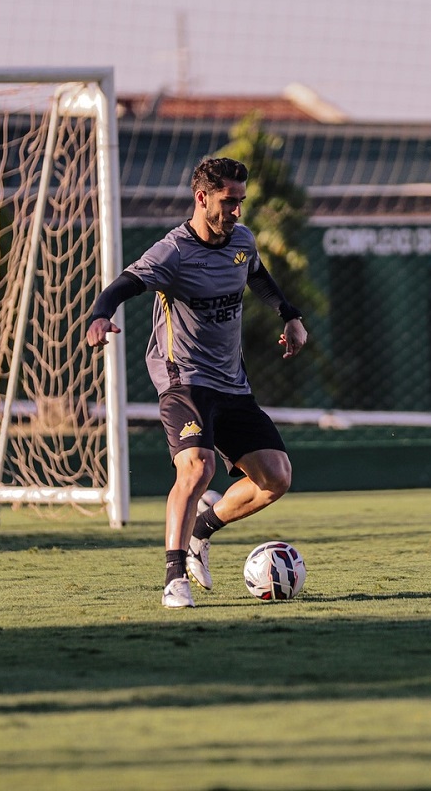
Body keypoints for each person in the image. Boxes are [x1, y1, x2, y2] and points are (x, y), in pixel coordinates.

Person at [86, 156, 308, 609]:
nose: (237, 212)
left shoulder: (241, 240)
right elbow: (125, 284)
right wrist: (99, 315)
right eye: (229, 201)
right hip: (183, 379)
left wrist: (290, 315)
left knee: (276, 478)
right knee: (197, 467)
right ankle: (173, 579)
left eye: (242, 201)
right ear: (201, 197)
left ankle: (201, 532)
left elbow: (258, 276)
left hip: (232, 383)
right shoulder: (173, 252)